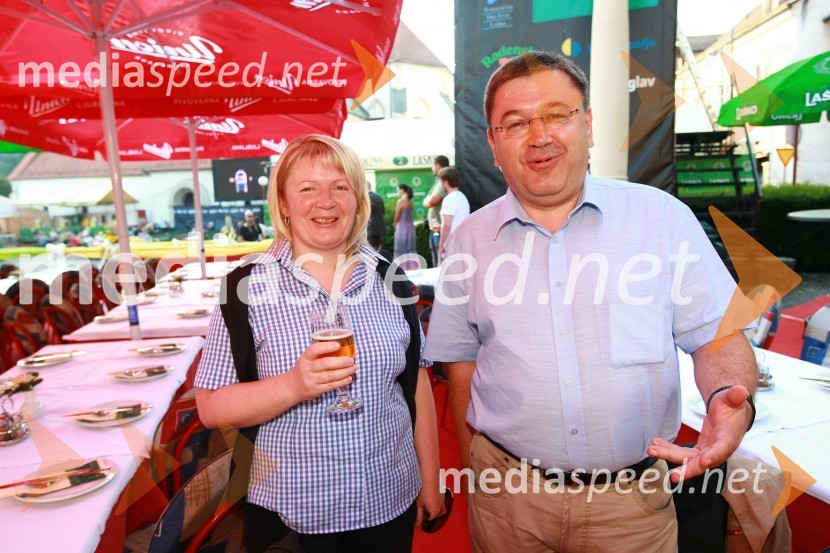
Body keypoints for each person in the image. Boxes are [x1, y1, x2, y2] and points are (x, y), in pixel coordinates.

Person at [423, 51, 757, 553]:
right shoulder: (468, 243)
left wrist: (729, 400)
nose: (540, 135)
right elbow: (462, 366)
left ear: (589, 125)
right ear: (493, 144)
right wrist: (477, 476)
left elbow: (718, 336)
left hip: (633, 508)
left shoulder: (662, 219)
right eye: (515, 123)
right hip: (509, 506)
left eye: (558, 114)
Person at [194, 135, 443, 553]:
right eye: (307, 188)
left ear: (358, 199)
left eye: (340, 186)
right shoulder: (243, 287)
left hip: (389, 502)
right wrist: (294, 385)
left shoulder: (391, 279)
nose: (325, 201)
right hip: (289, 519)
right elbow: (210, 407)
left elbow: (416, 386)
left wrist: (431, 483)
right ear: (284, 204)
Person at [436, 167, 469, 262]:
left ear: (445, 182)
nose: (441, 185)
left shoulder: (449, 199)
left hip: (451, 246)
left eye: (441, 182)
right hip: (462, 244)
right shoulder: (462, 197)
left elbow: (446, 225)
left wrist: (441, 245)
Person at [422, 155, 450, 267]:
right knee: (436, 263)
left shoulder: (443, 181)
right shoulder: (438, 181)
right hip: (435, 229)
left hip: (440, 230)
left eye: (433, 165)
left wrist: (427, 201)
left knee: (440, 265)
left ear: (438, 165)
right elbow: (427, 201)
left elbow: (431, 201)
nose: (431, 168)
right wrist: (427, 201)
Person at [393, 183, 417, 269]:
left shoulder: (400, 201)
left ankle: (401, 268)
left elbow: (397, 216)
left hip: (402, 227)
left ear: (402, 190)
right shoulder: (410, 201)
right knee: (410, 247)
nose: (397, 192)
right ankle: (412, 267)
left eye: (398, 190)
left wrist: (395, 224)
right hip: (411, 227)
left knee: (401, 247)